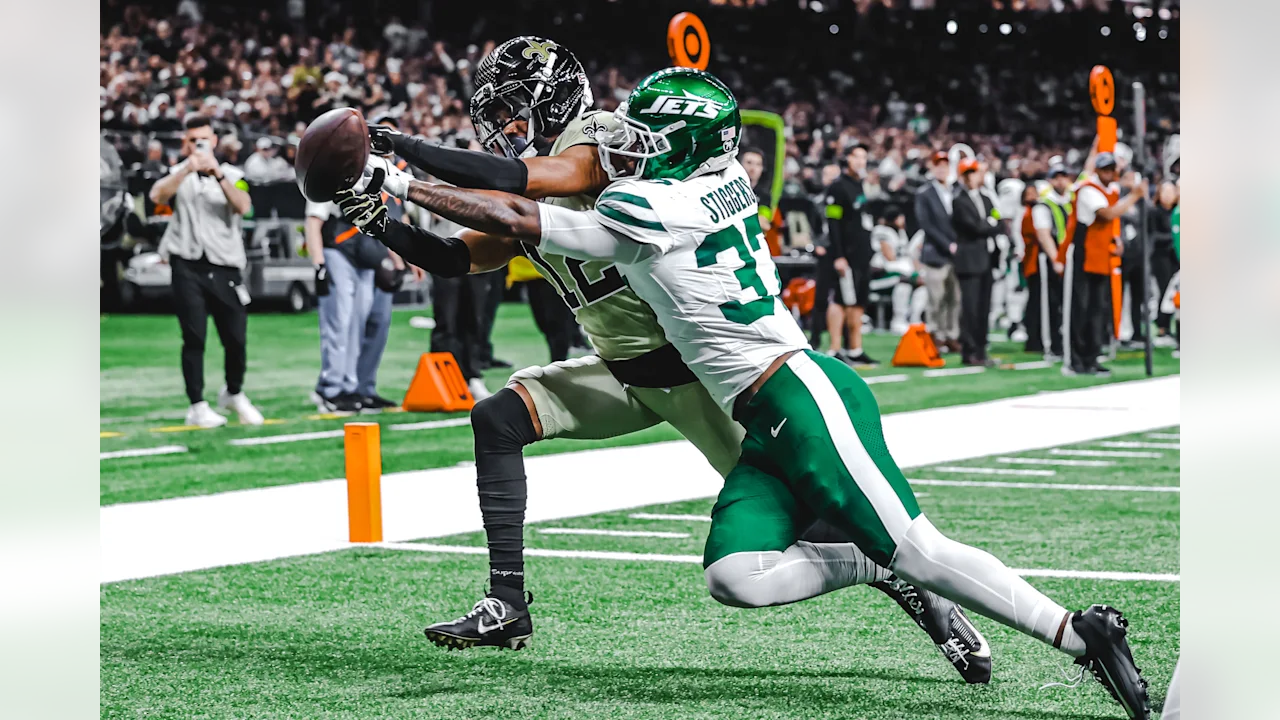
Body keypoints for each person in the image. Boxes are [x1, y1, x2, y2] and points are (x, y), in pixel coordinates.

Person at [367, 67, 1152, 720]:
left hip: (801, 393)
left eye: (646, 137)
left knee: (920, 548)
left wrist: (399, 176)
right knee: (735, 575)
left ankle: (1079, 633)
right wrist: (389, 207)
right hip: (757, 407)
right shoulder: (717, 180)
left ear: (680, 147)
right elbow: (500, 228)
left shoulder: (648, 204)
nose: (626, 145)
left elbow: (519, 208)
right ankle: (862, 565)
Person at [148, 114, 264, 428]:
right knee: (194, 336)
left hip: (225, 265)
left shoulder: (233, 173)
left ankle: (234, 392)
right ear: (185, 143)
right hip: (187, 264)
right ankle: (197, 405)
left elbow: (244, 206)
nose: (197, 145)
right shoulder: (177, 172)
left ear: (213, 141)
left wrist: (217, 175)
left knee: (236, 338)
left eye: (202, 139)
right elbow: (156, 196)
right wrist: (187, 167)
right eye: (191, 140)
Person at [1058, 152, 1148, 377]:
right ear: (1098, 171)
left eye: (1112, 170)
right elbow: (1106, 215)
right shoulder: (1088, 190)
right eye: (1106, 170)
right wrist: (1134, 196)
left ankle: (1092, 357)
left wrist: (1115, 240)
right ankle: (1075, 360)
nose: (1110, 174)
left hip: (1101, 256)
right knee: (1080, 308)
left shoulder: (1111, 191)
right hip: (1084, 254)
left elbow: (1110, 222)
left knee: (1098, 310)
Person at [822, 145, 877, 365]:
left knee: (858, 302)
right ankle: (835, 349)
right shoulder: (837, 187)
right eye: (857, 156)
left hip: (863, 255)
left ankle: (855, 349)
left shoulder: (860, 185)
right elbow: (833, 223)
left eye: (864, 157)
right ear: (848, 159)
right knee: (840, 300)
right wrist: (838, 255)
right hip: (846, 255)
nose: (861, 161)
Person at [950, 158, 1001, 366]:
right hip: (969, 260)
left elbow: (998, 221)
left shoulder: (986, 198)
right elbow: (975, 227)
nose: (979, 176)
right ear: (965, 176)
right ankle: (969, 350)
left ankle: (981, 350)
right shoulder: (959, 200)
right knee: (970, 308)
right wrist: (989, 224)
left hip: (986, 259)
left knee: (983, 307)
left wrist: (988, 224)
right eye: (973, 172)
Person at [914, 151, 962, 353]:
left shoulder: (956, 191)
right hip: (936, 253)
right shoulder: (924, 193)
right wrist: (948, 244)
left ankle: (951, 335)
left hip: (957, 254)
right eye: (938, 165)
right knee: (936, 297)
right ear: (932, 168)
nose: (942, 169)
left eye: (945, 165)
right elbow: (927, 224)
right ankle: (935, 334)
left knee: (955, 298)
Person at [1023, 166, 1072, 359]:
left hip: (1068, 257)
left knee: (1066, 304)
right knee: (1050, 303)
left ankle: (1065, 341)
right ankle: (1051, 344)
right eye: (1056, 178)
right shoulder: (1044, 205)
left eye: (1063, 177)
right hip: (1051, 260)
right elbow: (1044, 235)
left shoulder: (1069, 202)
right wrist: (1056, 259)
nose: (1060, 181)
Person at [1148, 181, 1180, 346]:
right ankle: (1162, 327)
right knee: (1164, 291)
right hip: (1161, 258)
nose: (1168, 195)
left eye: (1171, 191)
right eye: (1165, 192)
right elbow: (1153, 236)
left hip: (1176, 257)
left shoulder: (1177, 211)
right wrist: (1174, 238)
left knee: (1176, 294)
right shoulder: (1154, 212)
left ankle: (1175, 328)